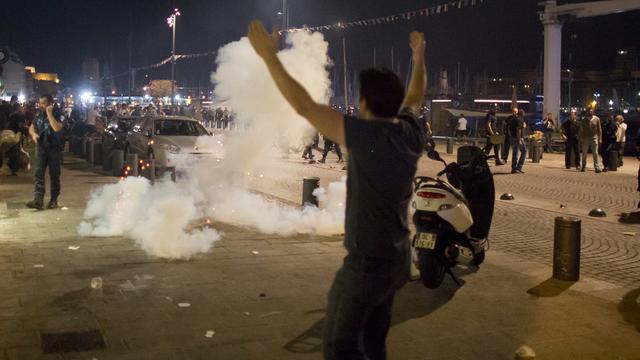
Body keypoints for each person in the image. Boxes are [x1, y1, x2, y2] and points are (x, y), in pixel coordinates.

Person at [248, 21, 425, 359]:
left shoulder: (368, 137)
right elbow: (416, 96)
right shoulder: (409, 132)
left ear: (364, 103)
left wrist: (270, 57)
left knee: (339, 344)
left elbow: (304, 107)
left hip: (367, 262)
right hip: (398, 257)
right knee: (374, 340)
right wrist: (419, 58)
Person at [27, 95, 64, 210]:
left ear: (50, 103)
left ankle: (54, 200)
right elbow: (31, 127)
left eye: (43, 103)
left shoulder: (58, 114)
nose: (40, 105)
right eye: (40, 103)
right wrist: (33, 134)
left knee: (54, 175)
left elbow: (57, 128)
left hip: (54, 148)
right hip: (41, 147)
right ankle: (38, 200)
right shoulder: (39, 114)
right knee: (38, 173)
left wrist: (49, 113)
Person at [579, 109, 602, 173]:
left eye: (591, 111)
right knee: (584, 154)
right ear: (587, 112)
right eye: (589, 111)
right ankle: (583, 166)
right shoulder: (584, 120)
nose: (590, 112)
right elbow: (581, 129)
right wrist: (581, 138)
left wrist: (600, 138)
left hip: (594, 138)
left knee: (595, 153)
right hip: (586, 138)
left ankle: (597, 167)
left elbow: (599, 129)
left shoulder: (597, 119)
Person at [509, 108, 526, 174]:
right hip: (518, 138)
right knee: (524, 151)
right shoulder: (520, 120)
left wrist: (511, 136)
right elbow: (518, 130)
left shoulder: (513, 120)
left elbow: (509, 128)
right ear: (522, 114)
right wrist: (519, 139)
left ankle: (513, 168)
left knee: (515, 152)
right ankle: (519, 167)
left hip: (512, 137)